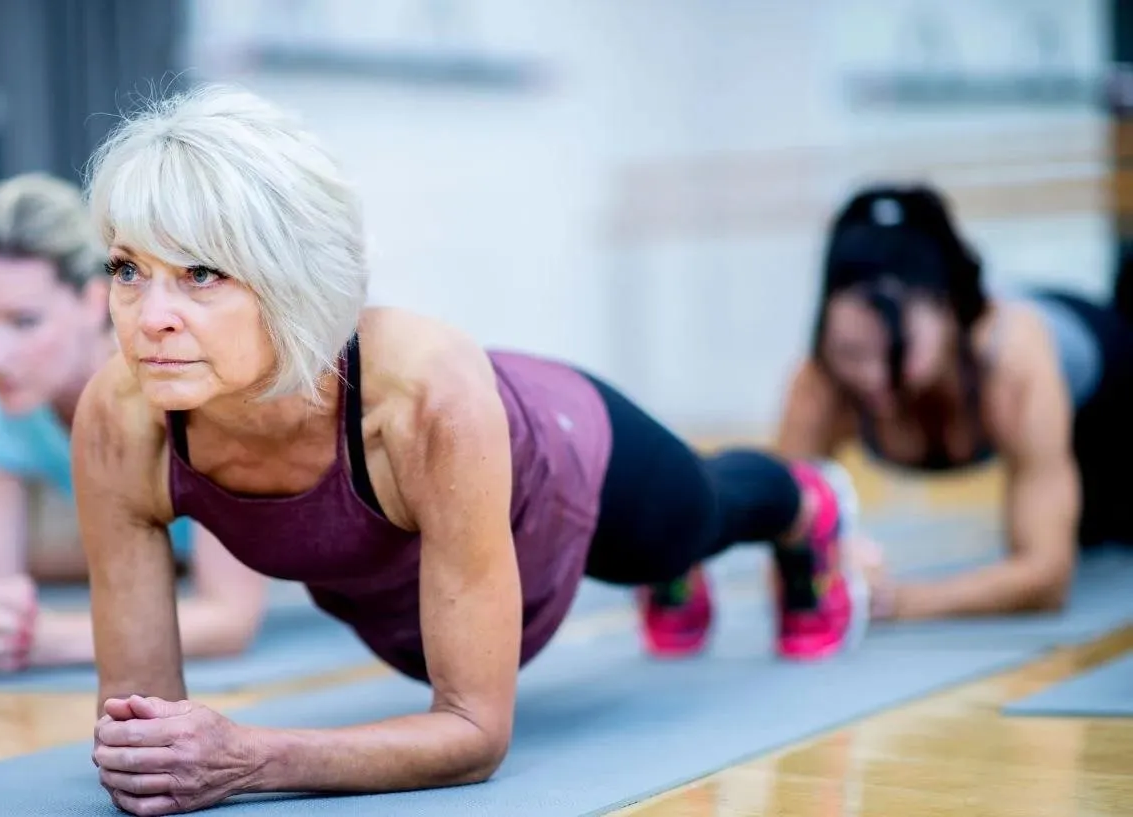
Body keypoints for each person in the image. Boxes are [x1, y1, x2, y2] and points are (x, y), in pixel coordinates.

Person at [74, 83, 867, 815]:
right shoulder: (121, 417)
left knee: (697, 517)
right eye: (128, 270)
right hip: (412, 571)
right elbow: (140, 733)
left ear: (292, 279)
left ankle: (804, 502)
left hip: (564, 451)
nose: (150, 318)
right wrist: (164, 754)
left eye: (202, 274)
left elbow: (473, 732)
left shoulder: (425, 400)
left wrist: (250, 758)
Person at [0, 172, 268, 673]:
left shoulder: (177, 376)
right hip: (159, 572)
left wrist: (55, 639)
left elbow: (230, 618)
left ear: (95, 301)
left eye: (23, 321)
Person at [776, 182, 1133, 622]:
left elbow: (1046, 577)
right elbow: (783, 532)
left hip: (1112, 391)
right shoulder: (822, 382)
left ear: (946, 311)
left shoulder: (1012, 367)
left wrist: (894, 601)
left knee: (1107, 532)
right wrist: (829, 562)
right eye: (851, 352)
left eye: (895, 351)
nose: (872, 376)